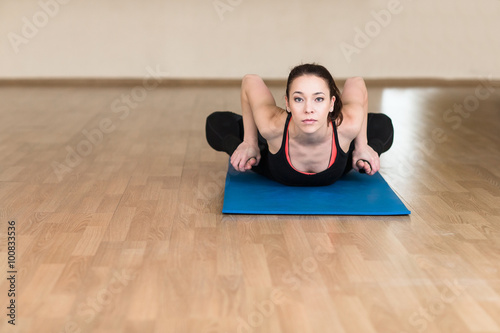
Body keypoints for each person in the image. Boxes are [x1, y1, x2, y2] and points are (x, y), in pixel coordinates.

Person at [205, 63, 394, 186]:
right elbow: (250, 81)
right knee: (217, 123)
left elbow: (356, 82)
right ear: (287, 103)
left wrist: (362, 147)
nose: (308, 109)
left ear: (331, 103)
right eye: (298, 99)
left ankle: (365, 150)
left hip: (341, 157)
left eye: (319, 99)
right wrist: (249, 142)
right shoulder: (271, 125)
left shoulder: (348, 123)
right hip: (270, 162)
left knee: (381, 124)